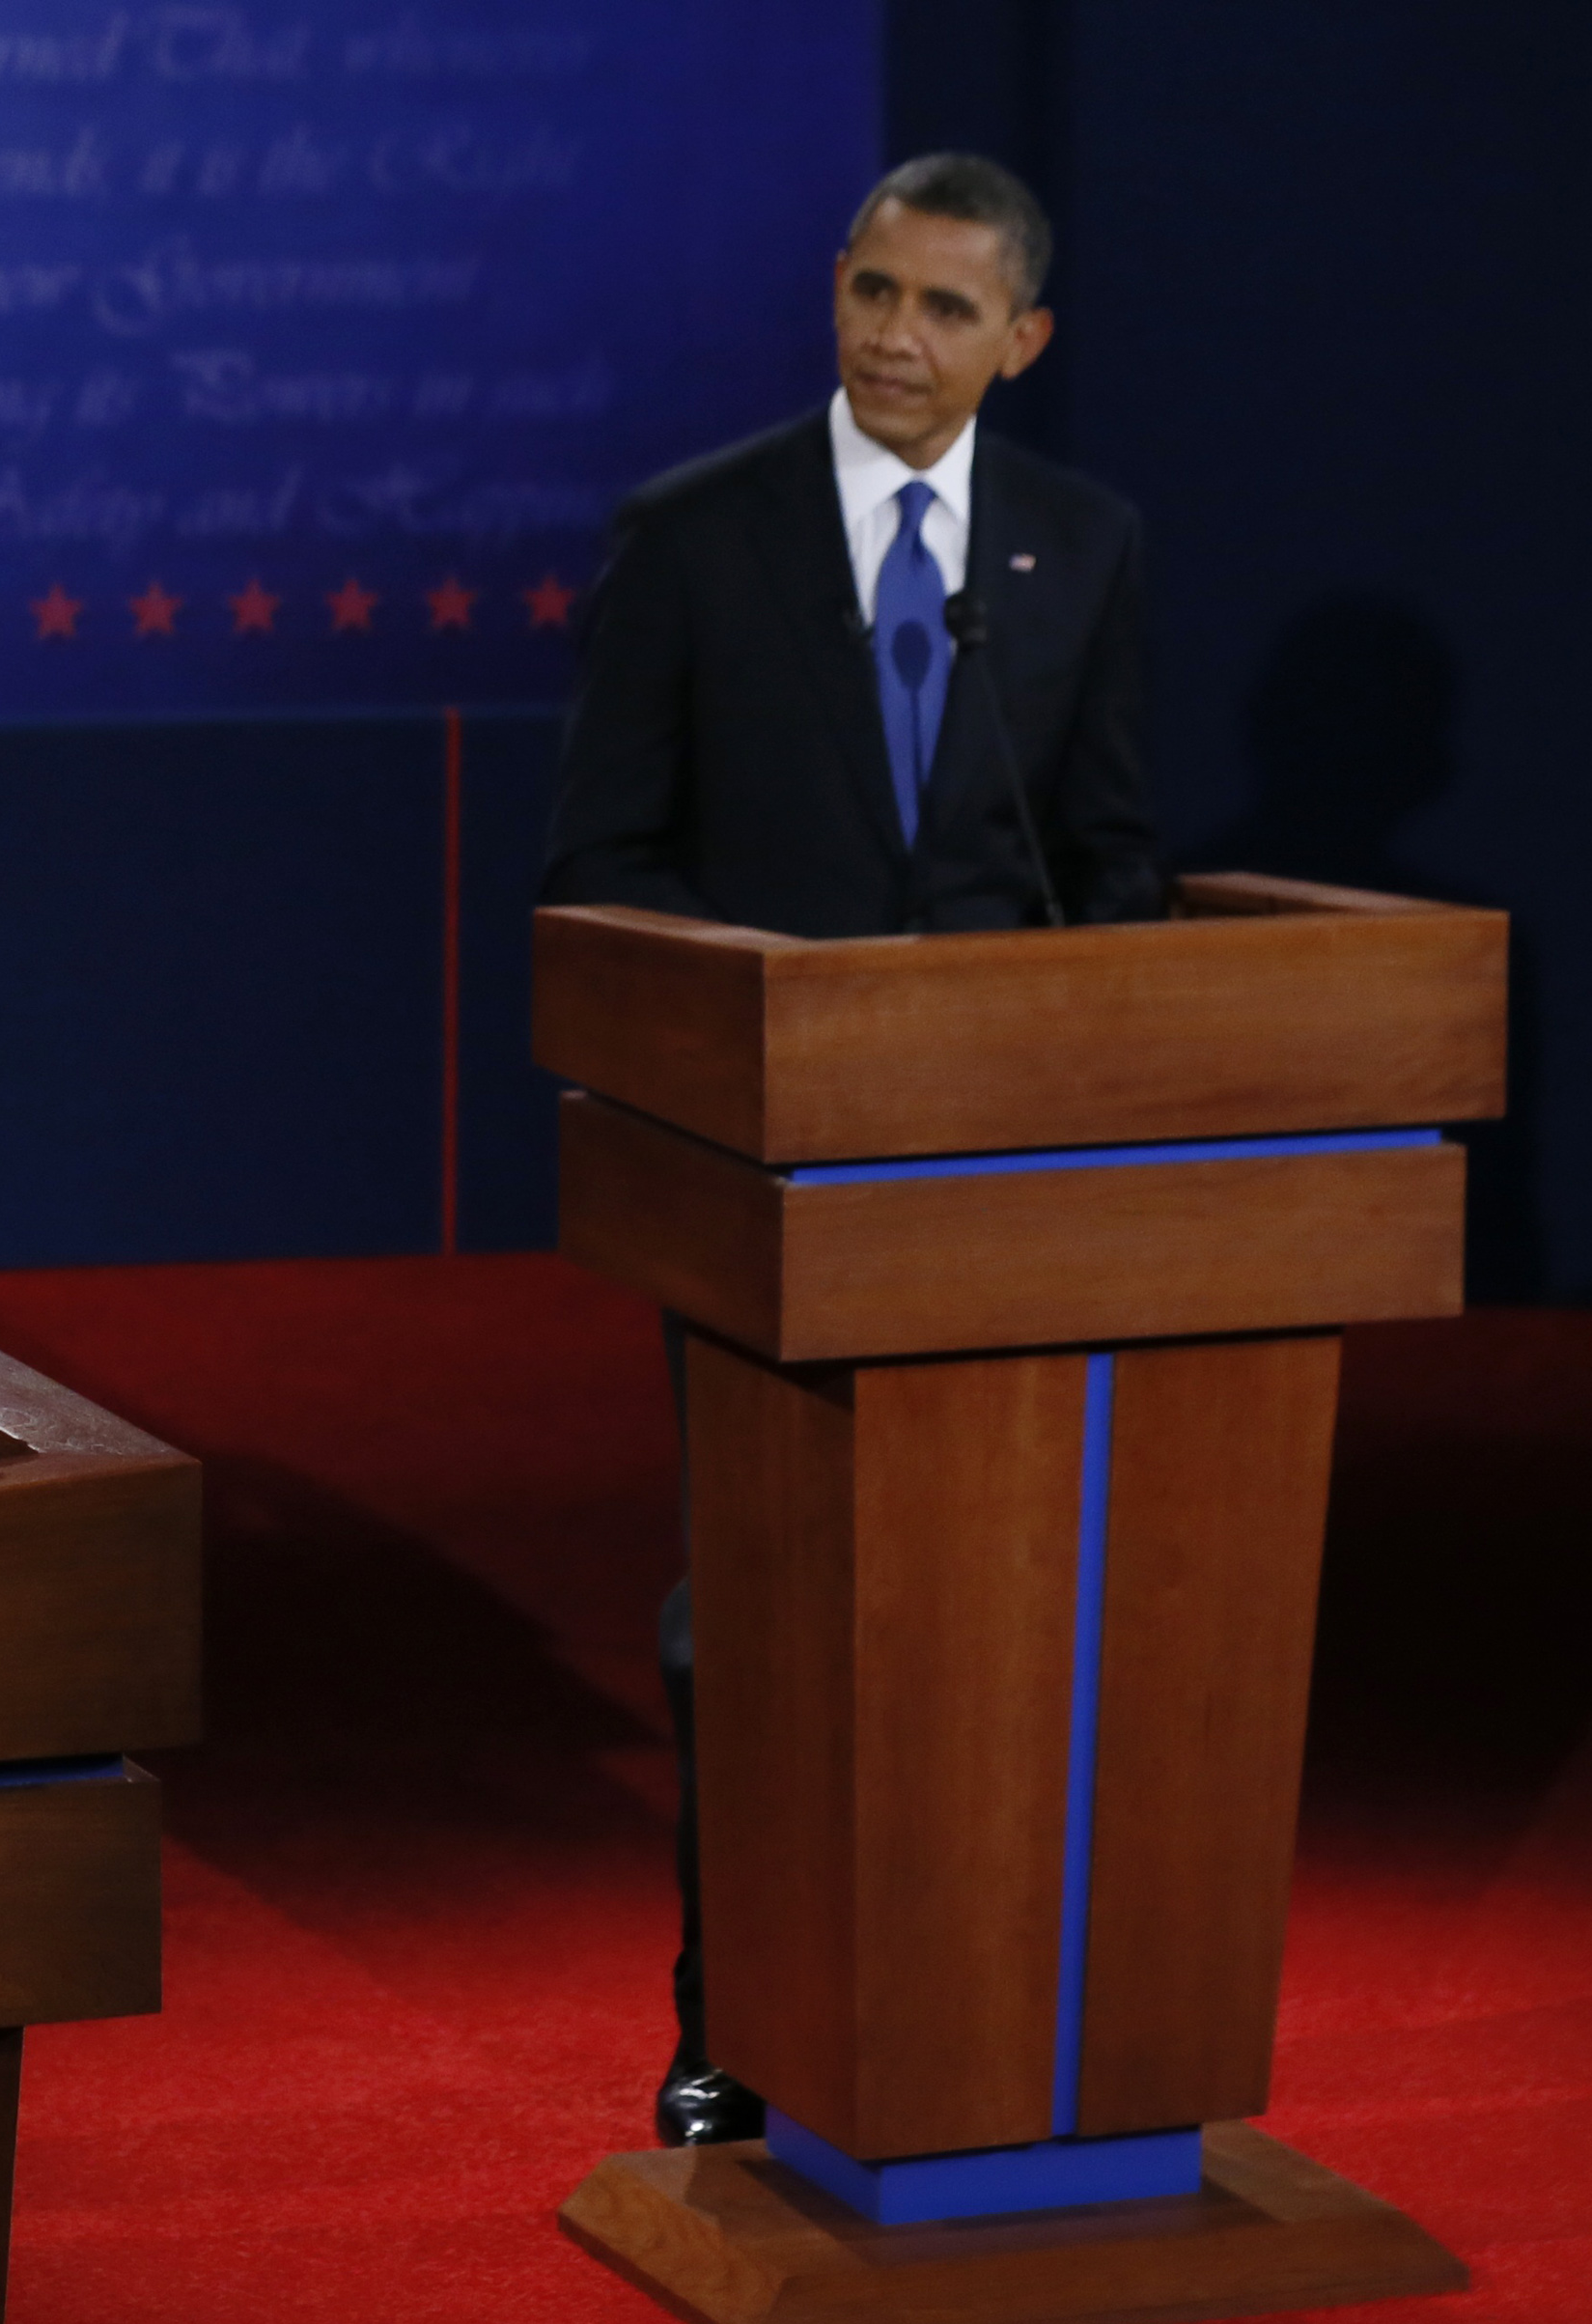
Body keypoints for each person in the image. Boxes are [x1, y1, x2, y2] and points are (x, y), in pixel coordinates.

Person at [539, 155, 1166, 2148]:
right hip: (766, 1177)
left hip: (1008, 1183)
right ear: (832, 288)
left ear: (1023, 341)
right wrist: (742, 1048)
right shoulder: (692, 539)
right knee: (763, 1607)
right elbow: (600, 878)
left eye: (947, 310)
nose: (897, 339)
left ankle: (1002, 2025)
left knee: (1009, 1608)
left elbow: (1109, 862)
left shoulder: (1083, 545)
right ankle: (738, 2015)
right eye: (872, 291)